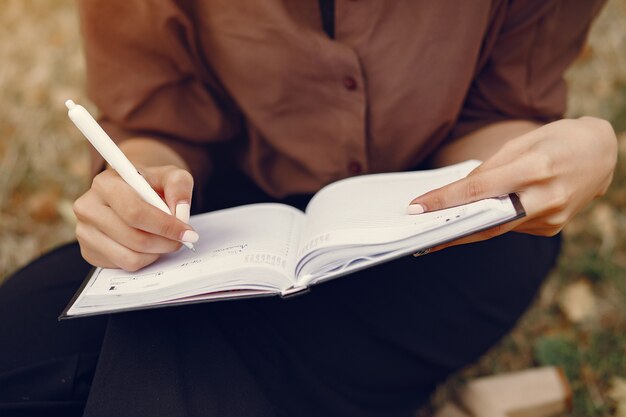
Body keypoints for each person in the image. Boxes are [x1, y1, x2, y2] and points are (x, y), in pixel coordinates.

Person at [0, 1, 617, 416]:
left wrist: (572, 153)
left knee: (182, 369)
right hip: (228, 225)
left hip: (443, 239)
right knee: (20, 346)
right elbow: (156, 117)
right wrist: (138, 185)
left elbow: (498, 113)